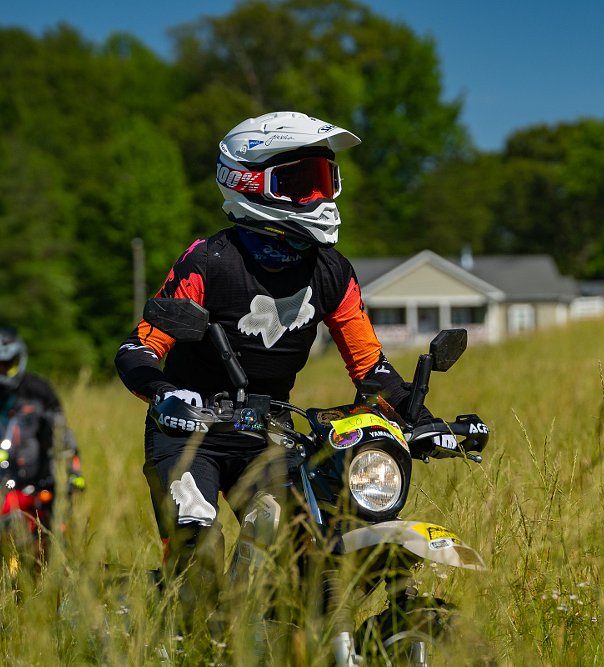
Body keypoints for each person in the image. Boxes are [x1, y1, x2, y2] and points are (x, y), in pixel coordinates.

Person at [114, 111, 428, 633]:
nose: (320, 198)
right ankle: (168, 635)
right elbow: (138, 349)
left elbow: (372, 368)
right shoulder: (209, 260)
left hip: (269, 436)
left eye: (326, 180)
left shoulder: (332, 270)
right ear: (248, 181)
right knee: (200, 545)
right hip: (191, 436)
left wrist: (425, 420)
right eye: (301, 183)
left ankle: (258, 635)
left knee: (296, 547)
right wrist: (165, 393)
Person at [0, 327, 83, 563]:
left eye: (6, 363)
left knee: (54, 546)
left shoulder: (39, 391)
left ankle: (61, 592)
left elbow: (61, 439)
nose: (0, 370)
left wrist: (68, 476)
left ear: (18, 360)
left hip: (33, 491)